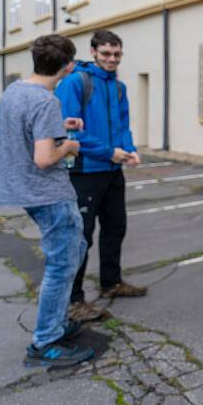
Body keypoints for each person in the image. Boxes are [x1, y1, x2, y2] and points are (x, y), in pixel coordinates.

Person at [0, 34, 95, 367]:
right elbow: (44, 158)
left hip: (23, 190)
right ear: (67, 66)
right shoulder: (45, 101)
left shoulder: (14, 91)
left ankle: (55, 322)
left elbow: (23, 131)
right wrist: (67, 145)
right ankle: (46, 341)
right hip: (48, 192)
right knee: (63, 264)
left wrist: (59, 127)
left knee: (74, 249)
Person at [55, 30, 146, 322]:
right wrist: (109, 153)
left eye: (117, 54)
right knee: (80, 238)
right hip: (84, 172)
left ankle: (111, 283)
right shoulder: (75, 82)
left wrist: (130, 151)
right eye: (106, 53)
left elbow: (123, 126)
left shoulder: (118, 87)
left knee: (115, 228)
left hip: (112, 171)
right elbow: (71, 131)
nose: (111, 59)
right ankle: (73, 300)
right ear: (93, 52)